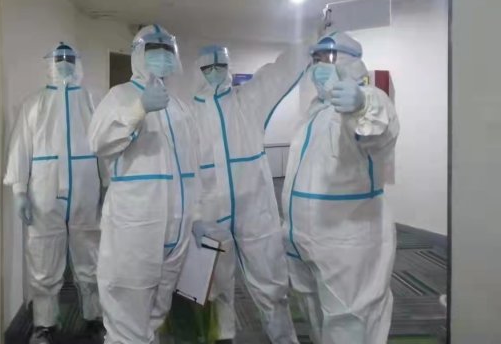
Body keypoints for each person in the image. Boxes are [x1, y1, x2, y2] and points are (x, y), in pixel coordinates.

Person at [282, 32, 399, 344]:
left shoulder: (369, 99)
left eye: (329, 57)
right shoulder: (315, 111)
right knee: (316, 317)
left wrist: (361, 103)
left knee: (350, 323)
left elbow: (378, 128)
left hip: (346, 243)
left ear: (351, 62)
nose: (320, 65)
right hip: (304, 240)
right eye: (316, 59)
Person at [88, 25, 200, 344]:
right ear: (138, 55)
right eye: (154, 50)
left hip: (176, 228)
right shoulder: (120, 95)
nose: (162, 57)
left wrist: (198, 215)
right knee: (127, 306)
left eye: (167, 50)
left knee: (158, 306)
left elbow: (194, 165)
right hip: (136, 226)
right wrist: (139, 109)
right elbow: (98, 142)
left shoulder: (180, 106)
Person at [191, 44, 306, 344]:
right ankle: (223, 336)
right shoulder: (188, 113)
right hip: (209, 213)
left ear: (229, 67)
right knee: (214, 285)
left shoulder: (248, 100)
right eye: (207, 68)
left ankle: (284, 338)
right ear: (197, 71)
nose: (214, 73)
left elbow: (278, 73)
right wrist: (192, 215)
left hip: (254, 208)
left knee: (271, 281)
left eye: (220, 66)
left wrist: (311, 40)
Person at [4, 43, 103, 344]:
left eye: (70, 59)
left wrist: (109, 185)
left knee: (90, 257)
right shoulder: (34, 104)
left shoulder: (91, 100)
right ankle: (44, 324)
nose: (64, 64)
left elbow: (104, 146)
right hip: (44, 194)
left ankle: (94, 317)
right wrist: (19, 190)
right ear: (49, 64)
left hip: (86, 191)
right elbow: (21, 148)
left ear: (78, 63)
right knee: (42, 257)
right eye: (59, 60)